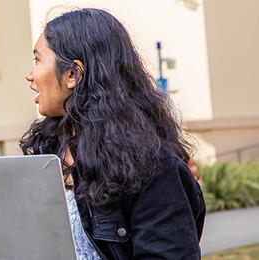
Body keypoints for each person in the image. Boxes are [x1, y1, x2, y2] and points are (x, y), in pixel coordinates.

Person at [21, 8, 206, 259]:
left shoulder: (155, 168)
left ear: (73, 74)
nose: (30, 75)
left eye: (37, 60)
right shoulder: (46, 153)